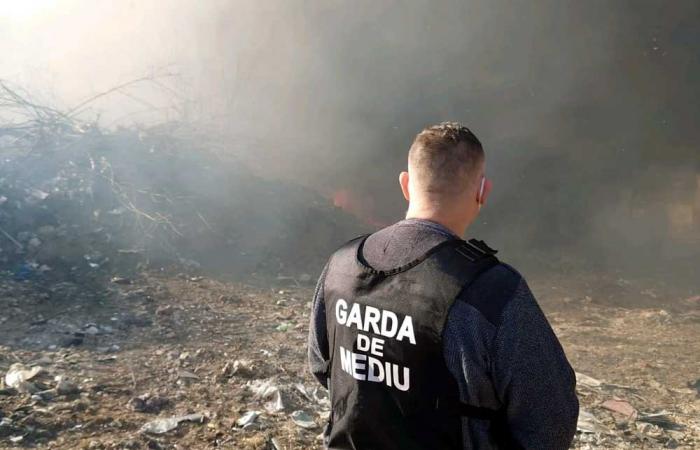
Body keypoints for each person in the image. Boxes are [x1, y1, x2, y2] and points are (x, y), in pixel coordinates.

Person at [308, 122, 579, 450]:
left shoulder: (341, 265)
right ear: (482, 191)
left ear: (405, 185)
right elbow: (550, 418)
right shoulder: (492, 291)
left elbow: (323, 367)